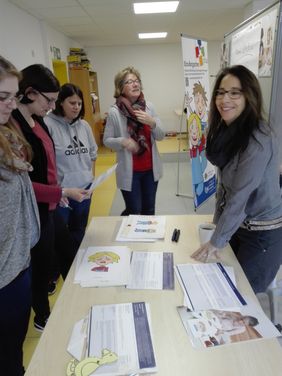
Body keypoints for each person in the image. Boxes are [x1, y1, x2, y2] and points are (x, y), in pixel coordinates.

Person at [191, 65, 282, 294]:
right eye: (221, 92)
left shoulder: (258, 138)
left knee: (237, 296)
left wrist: (216, 241)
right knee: (216, 281)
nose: (225, 99)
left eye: (235, 92)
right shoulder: (228, 130)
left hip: (262, 236)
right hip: (239, 226)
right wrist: (216, 226)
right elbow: (224, 187)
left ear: (249, 95)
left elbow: (240, 196)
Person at [11, 64, 88, 332]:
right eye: (50, 100)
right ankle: (43, 316)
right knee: (42, 267)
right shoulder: (14, 127)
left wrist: (59, 193)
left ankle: (80, 303)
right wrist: (62, 192)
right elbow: (24, 184)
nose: (52, 106)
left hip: (52, 204)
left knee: (69, 253)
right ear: (30, 93)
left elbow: (49, 165)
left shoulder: (38, 119)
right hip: (35, 209)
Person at [0, 56, 40, 375]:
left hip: (17, 266)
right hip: (3, 276)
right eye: (2, 97)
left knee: (13, 356)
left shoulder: (8, 138)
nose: (11, 106)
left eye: (13, 97)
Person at [103, 66, 164, 215]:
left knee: (149, 210)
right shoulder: (115, 112)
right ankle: (128, 234)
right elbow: (107, 140)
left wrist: (152, 123)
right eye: (130, 82)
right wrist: (122, 141)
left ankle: (146, 237)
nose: (135, 84)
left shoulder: (149, 107)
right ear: (120, 88)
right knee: (134, 210)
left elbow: (161, 136)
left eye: (137, 81)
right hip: (130, 172)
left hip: (150, 170)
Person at [45, 83, 97, 250]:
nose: (76, 107)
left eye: (79, 103)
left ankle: (77, 262)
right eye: (72, 103)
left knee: (79, 229)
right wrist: (57, 190)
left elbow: (92, 154)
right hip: (63, 192)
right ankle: (58, 271)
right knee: (59, 234)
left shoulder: (85, 126)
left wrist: (92, 181)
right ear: (61, 102)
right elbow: (47, 162)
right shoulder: (48, 124)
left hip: (85, 189)